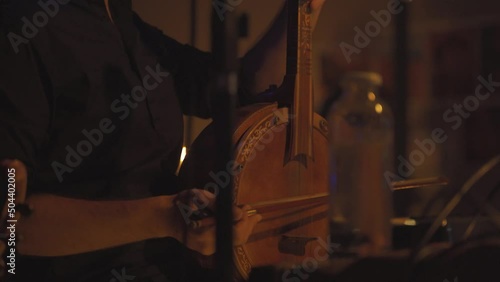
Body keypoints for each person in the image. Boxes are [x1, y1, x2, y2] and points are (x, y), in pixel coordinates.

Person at [0, 0, 326, 281]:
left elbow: (239, 91)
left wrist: (303, 10)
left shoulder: (129, 27)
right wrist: (164, 216)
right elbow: (10, 222)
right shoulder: (23, 29)